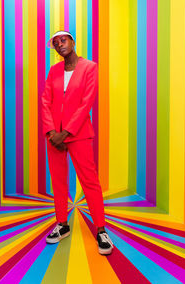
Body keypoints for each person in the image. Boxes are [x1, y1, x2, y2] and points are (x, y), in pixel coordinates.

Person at [41, 30, 114, 255]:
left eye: (63, 40)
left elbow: (87, 102)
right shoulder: (53, 71)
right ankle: (62, 224)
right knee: (59, 182)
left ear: (72, 42)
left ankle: (100, 229)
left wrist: (67, 132)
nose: (60, 45)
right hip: (54, 137)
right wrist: (53, 132)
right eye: (55, 43)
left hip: (79, 134)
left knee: (89, 180)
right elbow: (45, 101)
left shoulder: (89, 67)